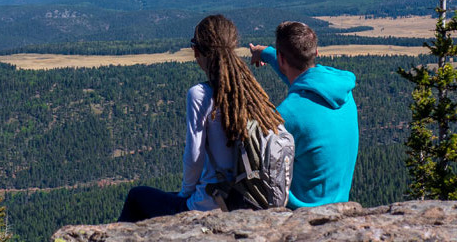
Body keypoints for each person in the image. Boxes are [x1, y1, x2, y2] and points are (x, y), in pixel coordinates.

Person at [117, 15, 285, 222]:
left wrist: (185, 195)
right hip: (247, 199)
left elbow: (194, 157)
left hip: (211, 203)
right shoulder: (250, 93)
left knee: (137, 196)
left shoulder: (200, 94)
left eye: (194, 47)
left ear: (199, 51)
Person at [249, 21, 358, 209]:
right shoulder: (343, 90)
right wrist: (265, 52)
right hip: (341, 204)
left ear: (281, 59)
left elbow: (271, 176)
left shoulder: (286, 115)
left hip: (303, 214)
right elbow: (302, 78)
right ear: (316, 53)